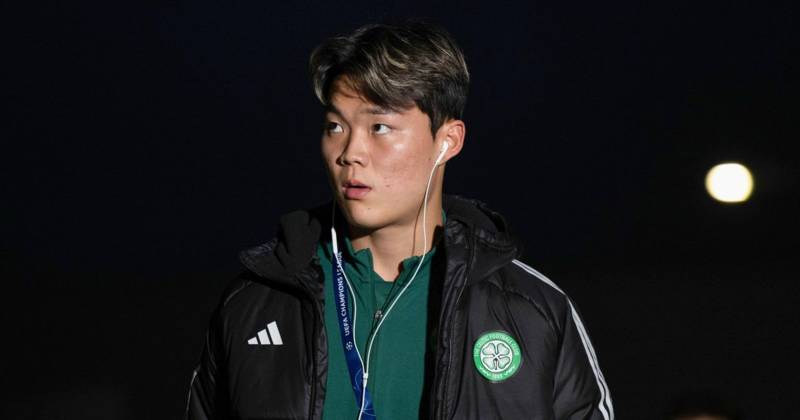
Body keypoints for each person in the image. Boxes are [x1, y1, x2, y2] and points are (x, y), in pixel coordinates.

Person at [186, 19, 614, 420]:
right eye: (335, 126)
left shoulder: (533, 309)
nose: (350, 153)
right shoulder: (255, 301)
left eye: (380, 127)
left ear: (447, 141)